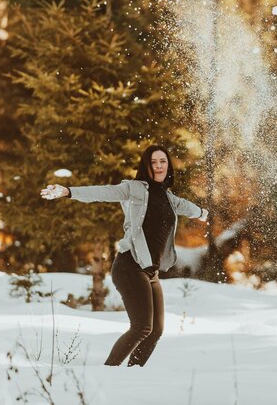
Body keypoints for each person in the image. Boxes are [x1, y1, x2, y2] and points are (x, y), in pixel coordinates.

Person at [40, 145, 208, 367]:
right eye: (153, 162)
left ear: (168, 166)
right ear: (146, 166)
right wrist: (69, 191)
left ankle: (131, 375)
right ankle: (109, 371)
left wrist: (203, 213)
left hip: (150, 271)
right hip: (130, 265)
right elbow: (103, 192)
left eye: (163, 162)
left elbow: (186, 207)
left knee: (156, 331)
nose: (158, 166)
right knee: (142, 327)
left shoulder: (169, 197)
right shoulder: (135, 188)